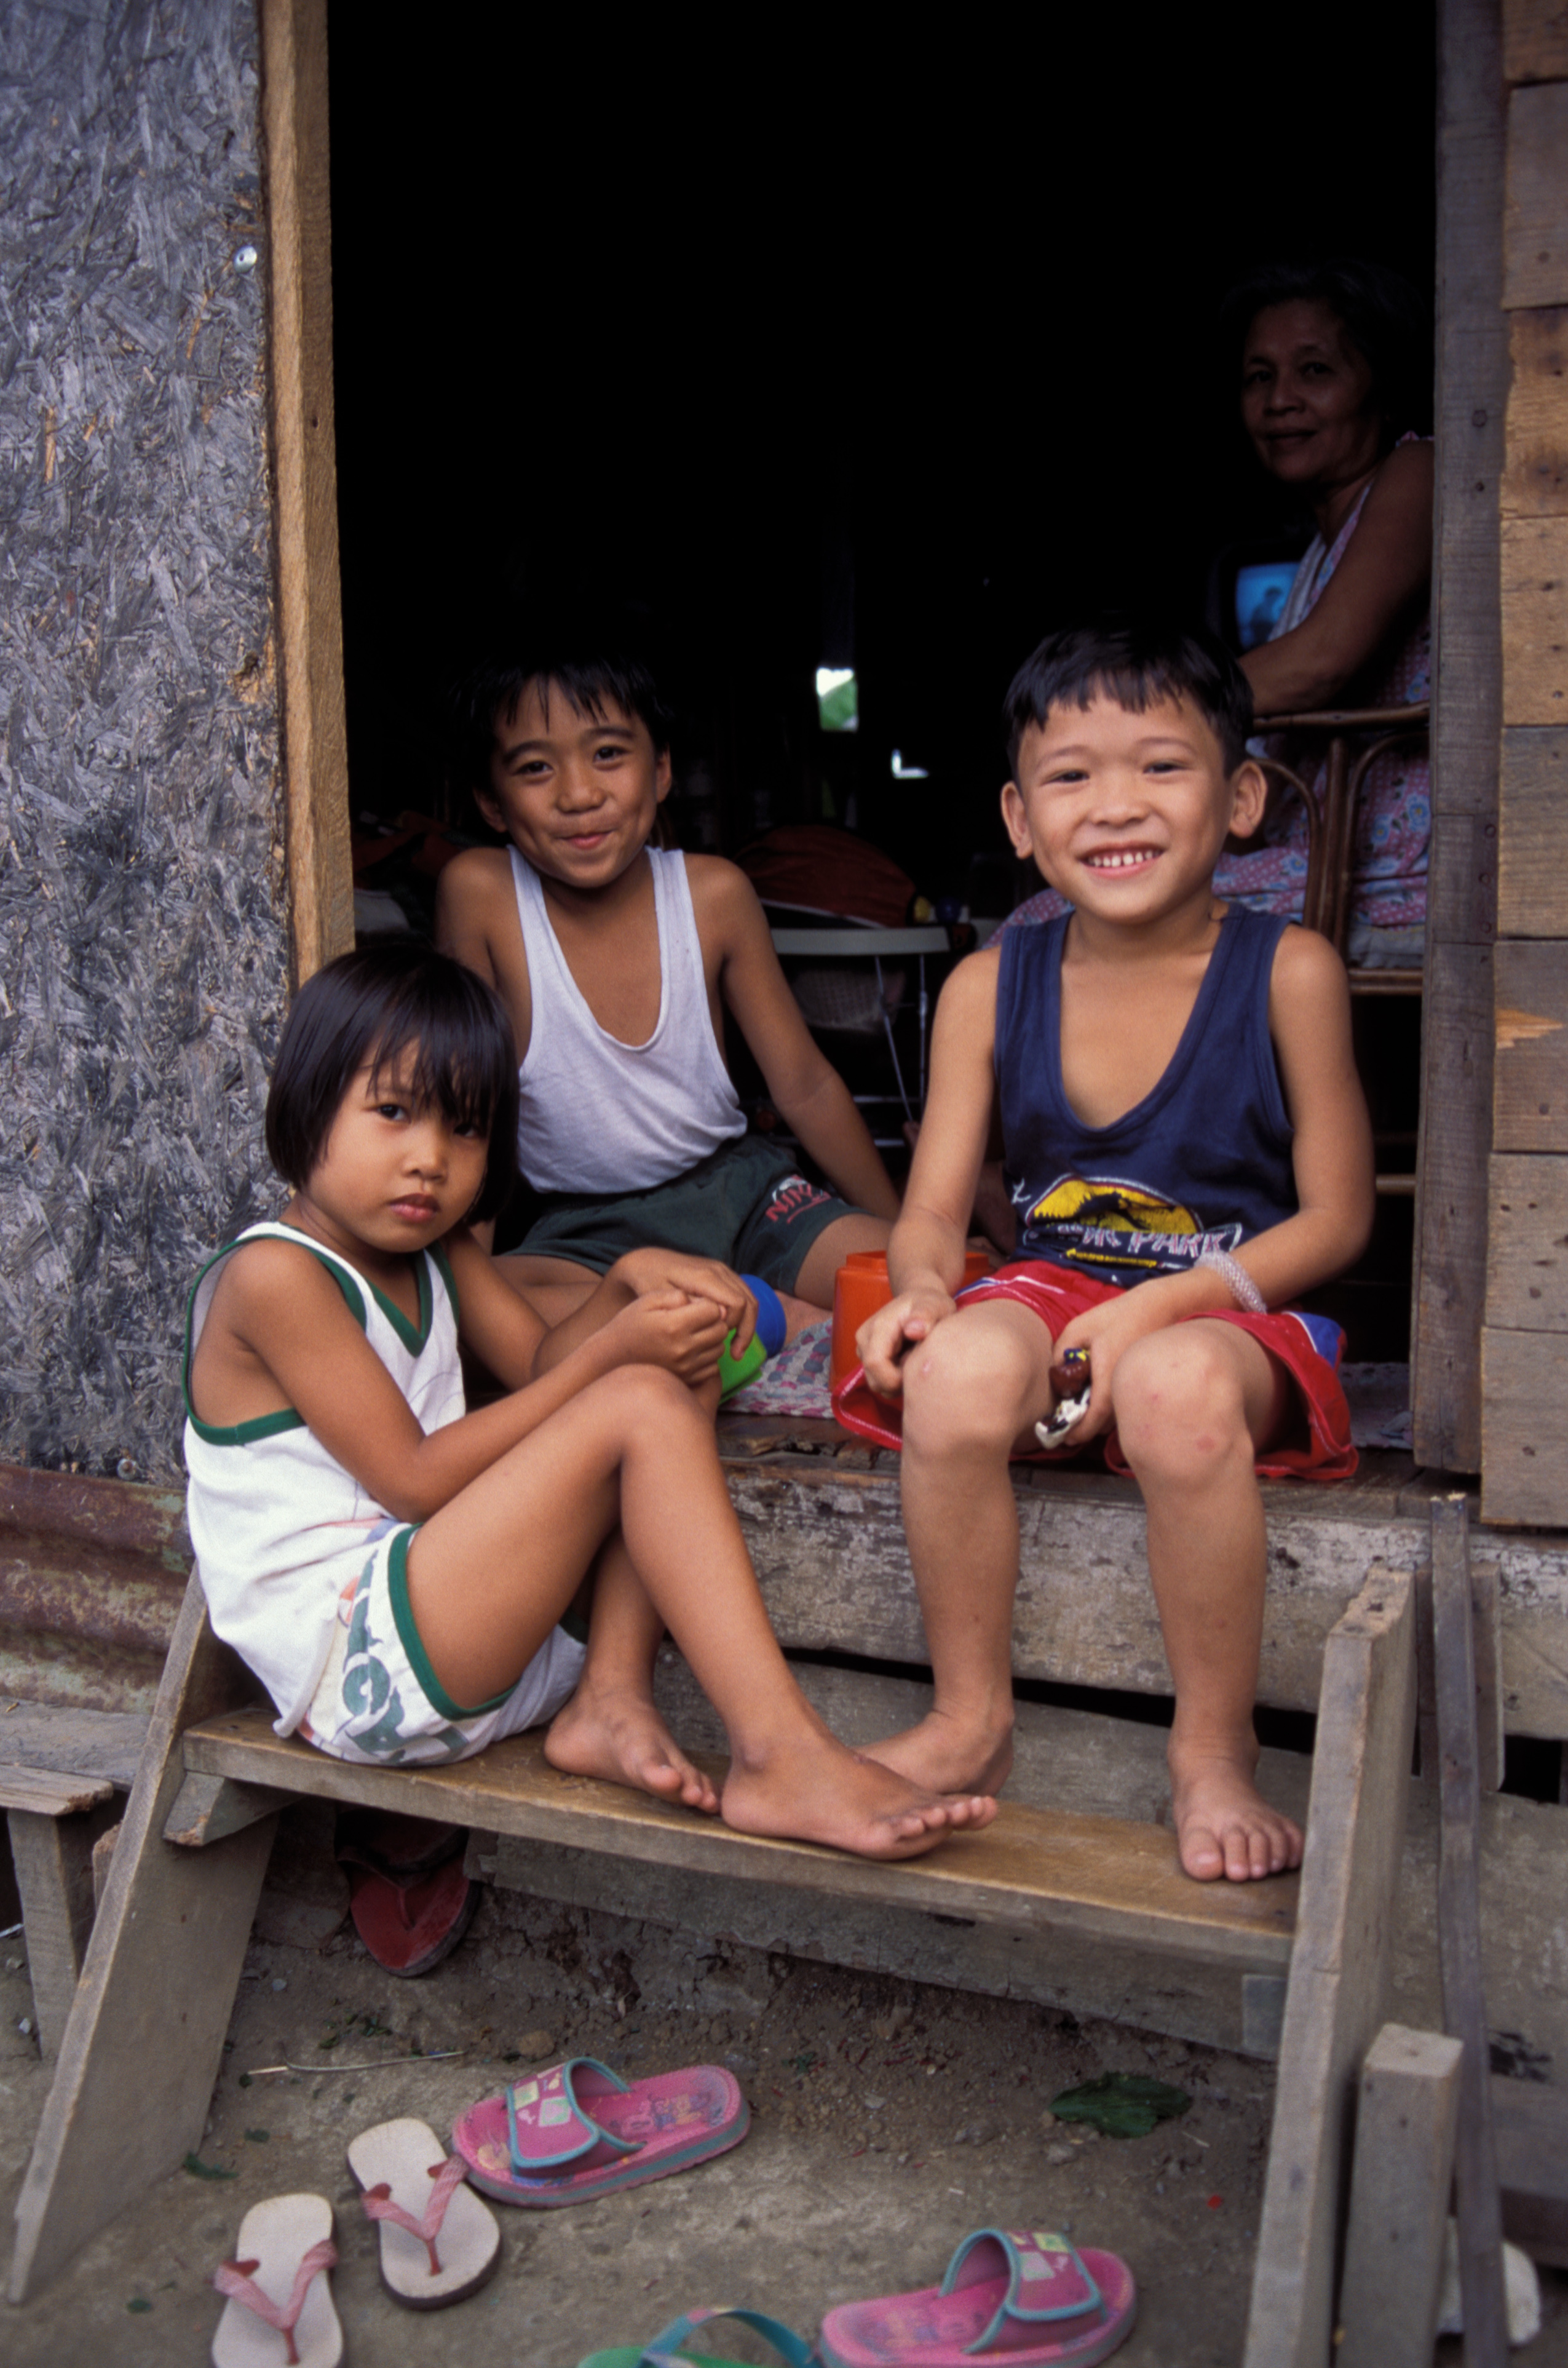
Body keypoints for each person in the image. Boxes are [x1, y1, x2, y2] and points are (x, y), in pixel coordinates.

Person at [183, 942, 995, 1861]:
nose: (429, 1160)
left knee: (674, 1364)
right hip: (358, 1667)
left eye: (464, 1129)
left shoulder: (437, 1251)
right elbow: (413, 1479)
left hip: (473, 1639)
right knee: (638, 1397)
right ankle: (782, 1754)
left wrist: (625, 1290)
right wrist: (614, 1349)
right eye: (393, 1112)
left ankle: (610, 1697)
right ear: (305, 1103)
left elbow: (538, 1360)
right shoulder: (275, 1277)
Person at [842, 622, 1374, 1883]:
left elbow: (1339, 1219)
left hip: (1232, 1299)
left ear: (1242, 797)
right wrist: (921, 1287)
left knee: (1173, 1385)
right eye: (1074, 776)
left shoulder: (1287, 970)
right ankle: (973, 1719)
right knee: (962, 1365)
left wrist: (1160, 1311)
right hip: (1056, 1287)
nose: (1118, 805)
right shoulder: (992, 980)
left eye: (1162, 767)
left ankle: (1212, 1752)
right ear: (1021, 819)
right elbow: (930, 1212)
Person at [435, 621, 899, 1333]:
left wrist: (906, 1239)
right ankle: (774, 1321)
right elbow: (471, 1106)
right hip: (587, 1238)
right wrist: (459, 1311)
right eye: (535, 768)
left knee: (915, 1282)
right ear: (491, 802)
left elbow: (804, 1085)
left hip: (746, 1196)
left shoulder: (714, 895)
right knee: (478, 1314)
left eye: (609, 754)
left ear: (660, 772)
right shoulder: (481, 894)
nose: (579, 793)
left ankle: (733, 1323)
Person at [1010, 261, 1433, 961]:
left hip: (1385, 874)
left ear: (1381, 390)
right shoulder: (1321, 548)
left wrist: (1129, 720)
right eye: (1259, 377)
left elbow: (1323, 661)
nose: (1281, 400)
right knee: (1063, 907)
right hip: (1310, 854)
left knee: (1049, 927)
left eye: (1316, 371)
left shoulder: (1418, 472)